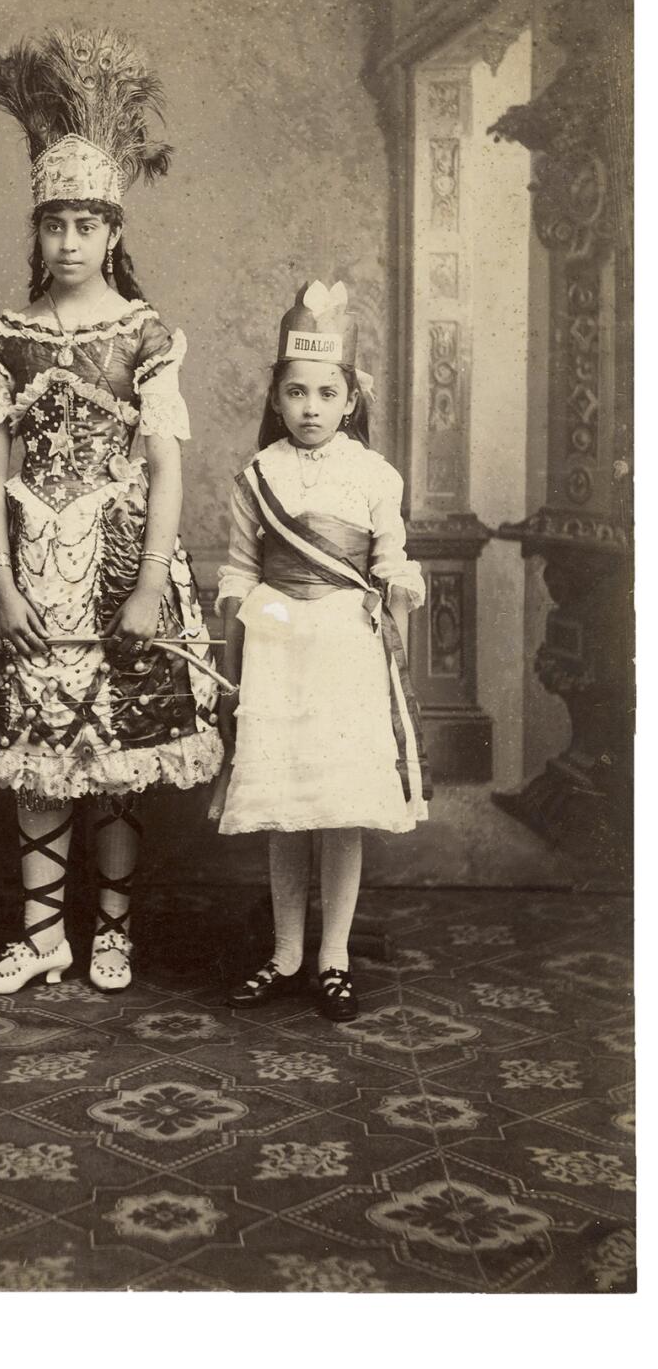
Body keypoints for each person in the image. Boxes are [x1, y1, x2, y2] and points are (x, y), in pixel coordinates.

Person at [0, 25, 223, 996]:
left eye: (85, 223)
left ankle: (110, 930)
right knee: (38, 753)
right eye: (52, 223)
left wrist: (151, 581)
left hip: (117, 561)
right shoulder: (11, 336)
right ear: (36, 230)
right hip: (35, 563)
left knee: (112, 756)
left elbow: (165, 467)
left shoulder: (144, 336)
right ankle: (41, 935)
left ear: (114, 232)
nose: (67, 240)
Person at [215, 280, 430, 1021]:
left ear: (350, 399)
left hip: (343, 643)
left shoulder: (373, 474)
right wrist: (233, 629)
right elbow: (242, 566)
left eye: (326, 392)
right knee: (285, 805)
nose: (311, 406)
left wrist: (400, 585)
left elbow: (391, 558)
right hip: (277, 642)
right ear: (276, 398)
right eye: (296, 391)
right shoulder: (258, 476)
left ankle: (333, 955)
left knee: (337, 806)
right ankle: (284, 952)